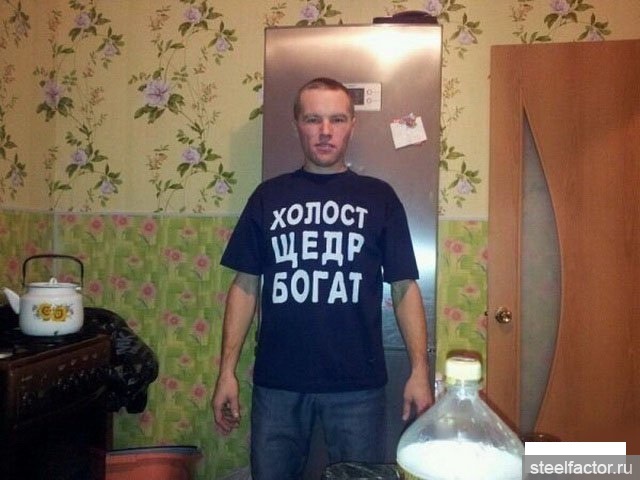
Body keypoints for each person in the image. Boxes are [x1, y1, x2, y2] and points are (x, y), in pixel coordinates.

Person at [211, 77, 433, 479]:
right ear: (297, 124)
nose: (325, 131)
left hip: (357, 386)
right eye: (313, 119)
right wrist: (226, 371)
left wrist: (419, 369)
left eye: (337, 119)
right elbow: (245, 286)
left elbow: (404, 287)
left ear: (352, 125)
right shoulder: (267, 197)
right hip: (277, 383)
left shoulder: (379, 198)